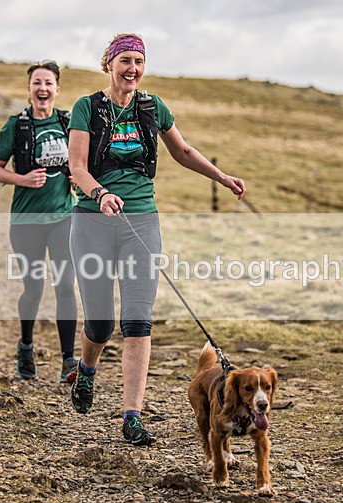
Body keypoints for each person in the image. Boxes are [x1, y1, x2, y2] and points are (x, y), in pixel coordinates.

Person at [66, 34, 246, 445]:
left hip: (141, 223)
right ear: (109, 64)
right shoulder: (86, 108)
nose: (133, 69)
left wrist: (221, 176)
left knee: (137, 321)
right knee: (100, 322)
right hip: (92, 221)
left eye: (139, 61)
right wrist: (100, 193)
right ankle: (87, 371)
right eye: (125, 60)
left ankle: (132, 417)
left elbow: (182, 152)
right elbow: (76, 167)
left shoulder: (153, 107)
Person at [0, 60, 78, 382]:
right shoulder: (16, 125)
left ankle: (69, 360)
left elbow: (82, 165)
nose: (43, 88)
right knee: (34, 288)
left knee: (66, 285)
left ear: (57, 89)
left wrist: (78, 181)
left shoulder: (70, 123)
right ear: (29, 90)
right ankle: (26, 345)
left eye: (48, 83)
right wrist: (22, 179)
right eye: (37, 83)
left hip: (63, 218)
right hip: (26, 222)